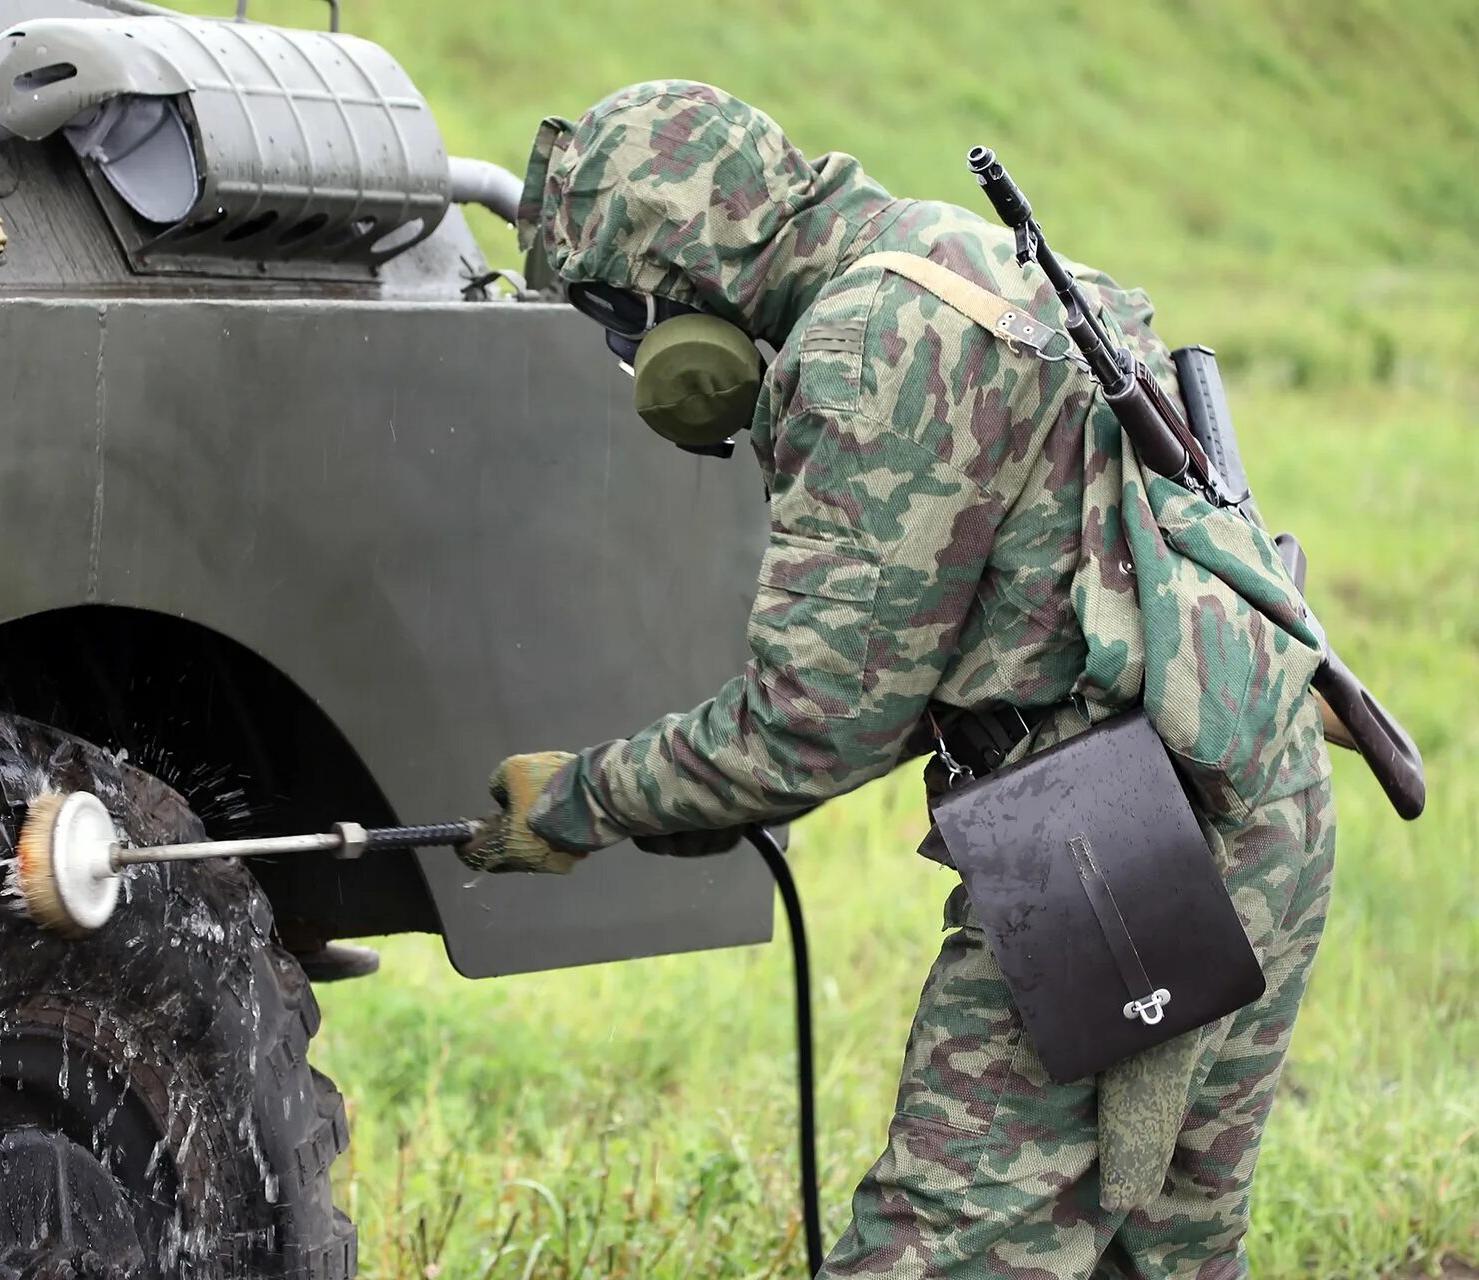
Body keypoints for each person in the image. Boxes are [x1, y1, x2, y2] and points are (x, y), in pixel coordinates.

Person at [460, 80, 1336, 1278]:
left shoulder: (863, 349)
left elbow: (807, 730)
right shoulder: (950, 253)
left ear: (679, 284)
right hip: (1258, 797)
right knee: (1166, 1255)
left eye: (625, 323)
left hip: (1116, 835)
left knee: (937, 1249)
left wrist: (579, 801)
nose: (637, 361)